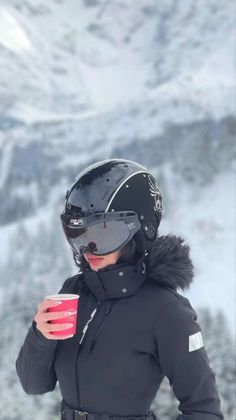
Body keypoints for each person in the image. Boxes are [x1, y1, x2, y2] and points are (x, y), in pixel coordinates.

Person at [16, 159, 224, 420]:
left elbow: (204, 410)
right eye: (78, 234)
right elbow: (33, 384)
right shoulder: (75, 290)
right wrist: (40, 334)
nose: (88, 248)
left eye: (104, 234)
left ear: (138, 231)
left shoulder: (167, 311)